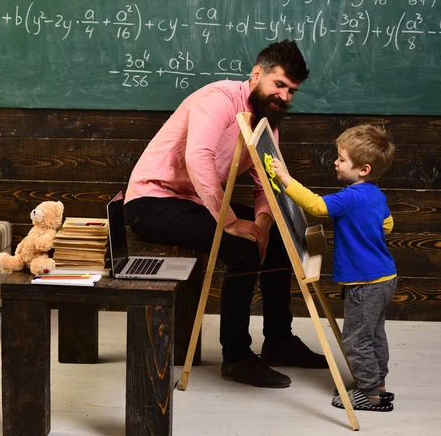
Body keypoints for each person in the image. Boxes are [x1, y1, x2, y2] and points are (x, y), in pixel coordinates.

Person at [125, 39, 328, 389]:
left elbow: (268, 181)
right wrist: (231, 221)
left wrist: (264, 222)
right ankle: (236, 357)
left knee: (277, 236)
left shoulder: (267, 121)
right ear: (257, 74)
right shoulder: (218, 99)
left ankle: (278, 341)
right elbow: (198, 157)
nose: (285, 96)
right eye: (279, 85)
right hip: (151, 201)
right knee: (243, 248)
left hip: (192, 202)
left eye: (292, 91)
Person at [271, 124, 397, 411]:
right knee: (375, 334)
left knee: (355, 339)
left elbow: (316, 206)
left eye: (341, 159)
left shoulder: (351, 197)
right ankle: (377, 383)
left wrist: (285, 179)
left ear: (363, 169)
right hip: (386, 278)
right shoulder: (374, 194)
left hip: (365, 283)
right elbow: (388, 224)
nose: (336, 162)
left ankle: (369, 395)